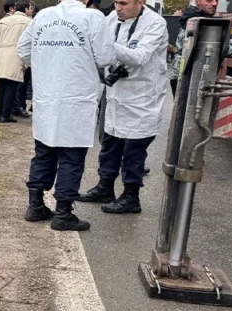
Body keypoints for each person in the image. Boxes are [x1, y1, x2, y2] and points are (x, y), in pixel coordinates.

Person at [17, 0, 115, 231]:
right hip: (75, 99)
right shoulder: (93, 18)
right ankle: (62, 214)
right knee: (71, 156)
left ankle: (35, 205)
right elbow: (105, 57)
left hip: (46, 98)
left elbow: (22, 50)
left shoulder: (42, 17)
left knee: (44, 151)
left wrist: (47, 62)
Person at [77, 0, 168, 214]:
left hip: (141, 98)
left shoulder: (155, 23)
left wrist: (103, 45)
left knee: (134, 150)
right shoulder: (112, 19)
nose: (118, 7)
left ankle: (131, 196)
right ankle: (105, 187)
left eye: (124, 3)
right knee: (110, 144)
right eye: (116, 2)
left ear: (140, 2)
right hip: (116, 95)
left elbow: (139, 57)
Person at [168, 0, 232, 95]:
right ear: (198, 2)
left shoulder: (194, 17)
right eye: (209, 0)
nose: (215, 4)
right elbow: (213, 48)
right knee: (188, 108)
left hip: (189, 76)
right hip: (187, 78)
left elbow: (213, 41)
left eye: (216, 0)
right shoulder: (196, 22)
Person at [0, 0, 33, 123]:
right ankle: (6, 115)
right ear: (25, 10)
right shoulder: (28, 22)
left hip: (2, 55)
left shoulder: (3, 20)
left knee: (1, 86)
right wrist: (27, 60)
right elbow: (30, 42)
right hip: (17, 55)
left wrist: (1, 51)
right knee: (12, 85)